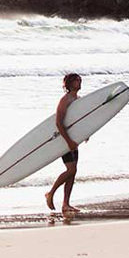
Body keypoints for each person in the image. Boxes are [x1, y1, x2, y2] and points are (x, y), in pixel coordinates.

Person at [45, 73, 83, 214]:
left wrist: (85, 133)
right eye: (76, 80)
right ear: (69, 83)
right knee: (71, 170)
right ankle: (51, 193)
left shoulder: (78, 99)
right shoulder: (65, 100)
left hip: (74, 141)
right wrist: (68, 141)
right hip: (64, 141)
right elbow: (58, 122)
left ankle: (66, 204)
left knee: (72, 173)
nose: (79, 82)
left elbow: (80, 120)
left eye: (80, 79)